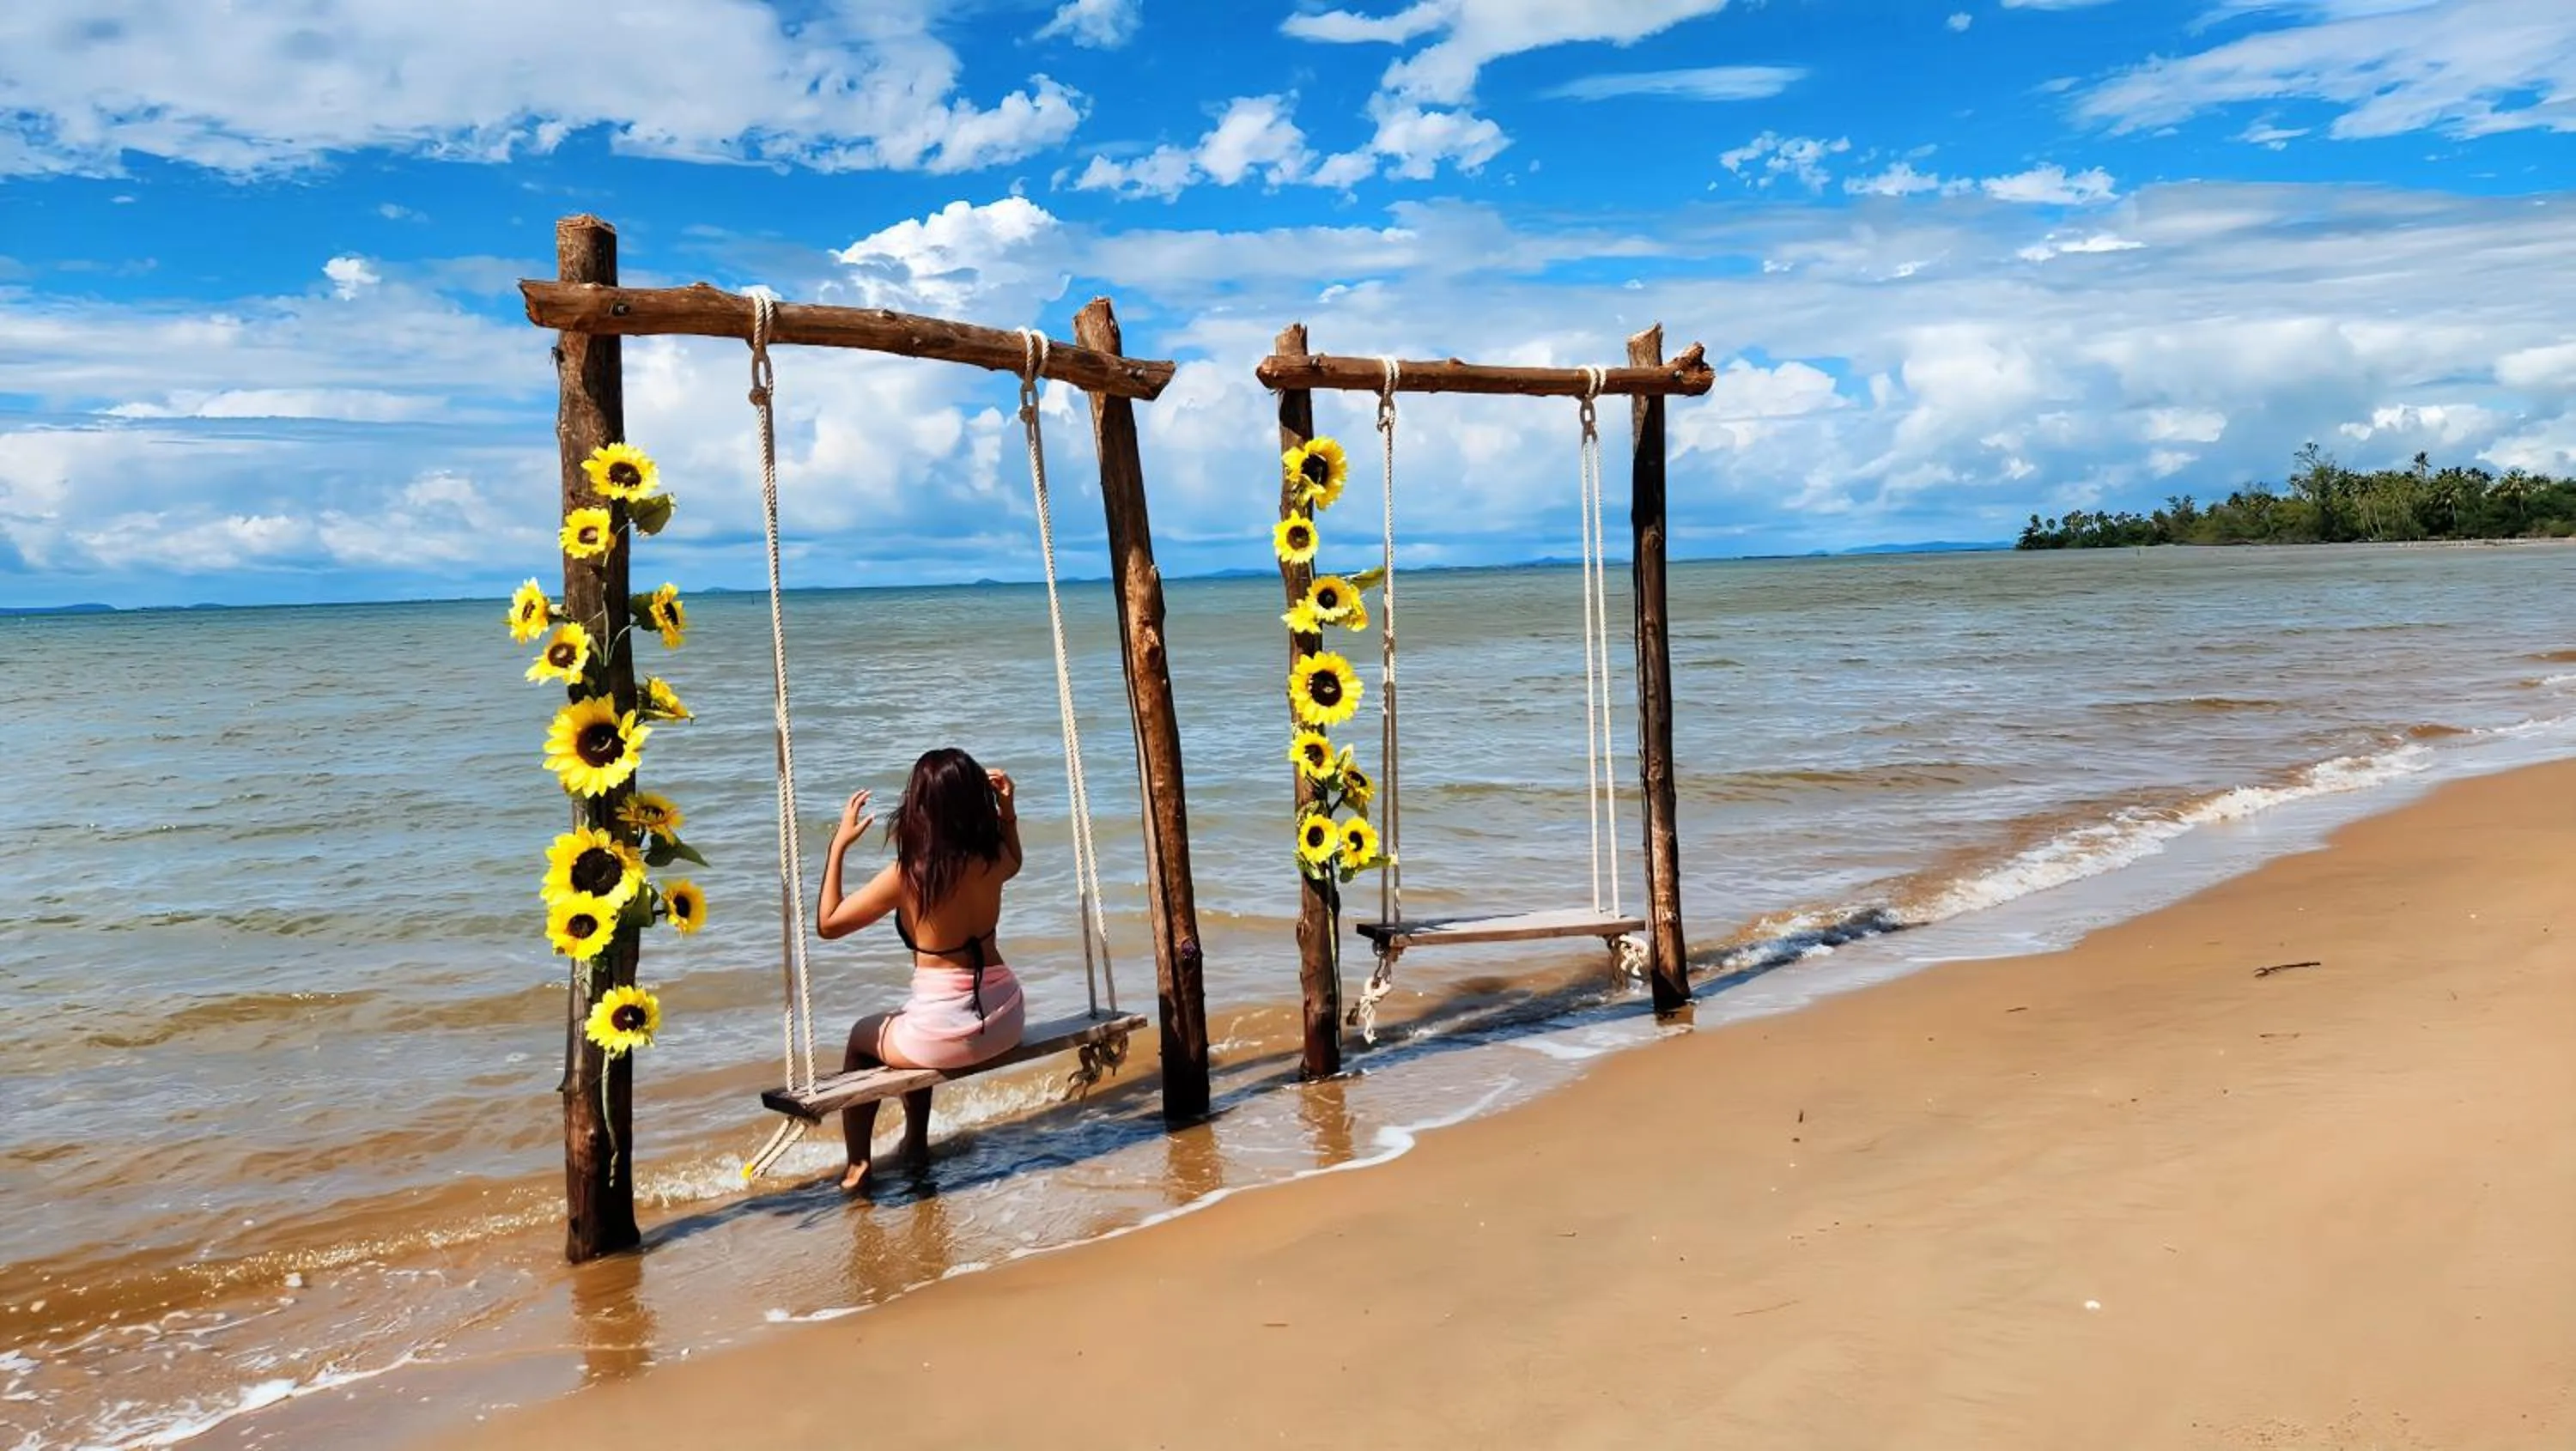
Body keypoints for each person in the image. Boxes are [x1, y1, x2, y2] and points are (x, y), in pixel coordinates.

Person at [816, 747, 1029, 1194]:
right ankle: (915, 1141)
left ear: (919, 806)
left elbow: (828, 924)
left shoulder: (908, 875)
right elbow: (1017, 857)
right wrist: (1007, 810)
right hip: (1007, 1016)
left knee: (864, 1038)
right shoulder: (991, 858)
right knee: (913, 1020)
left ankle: (858, 1164)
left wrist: (838, 845)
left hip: (945, 1036)